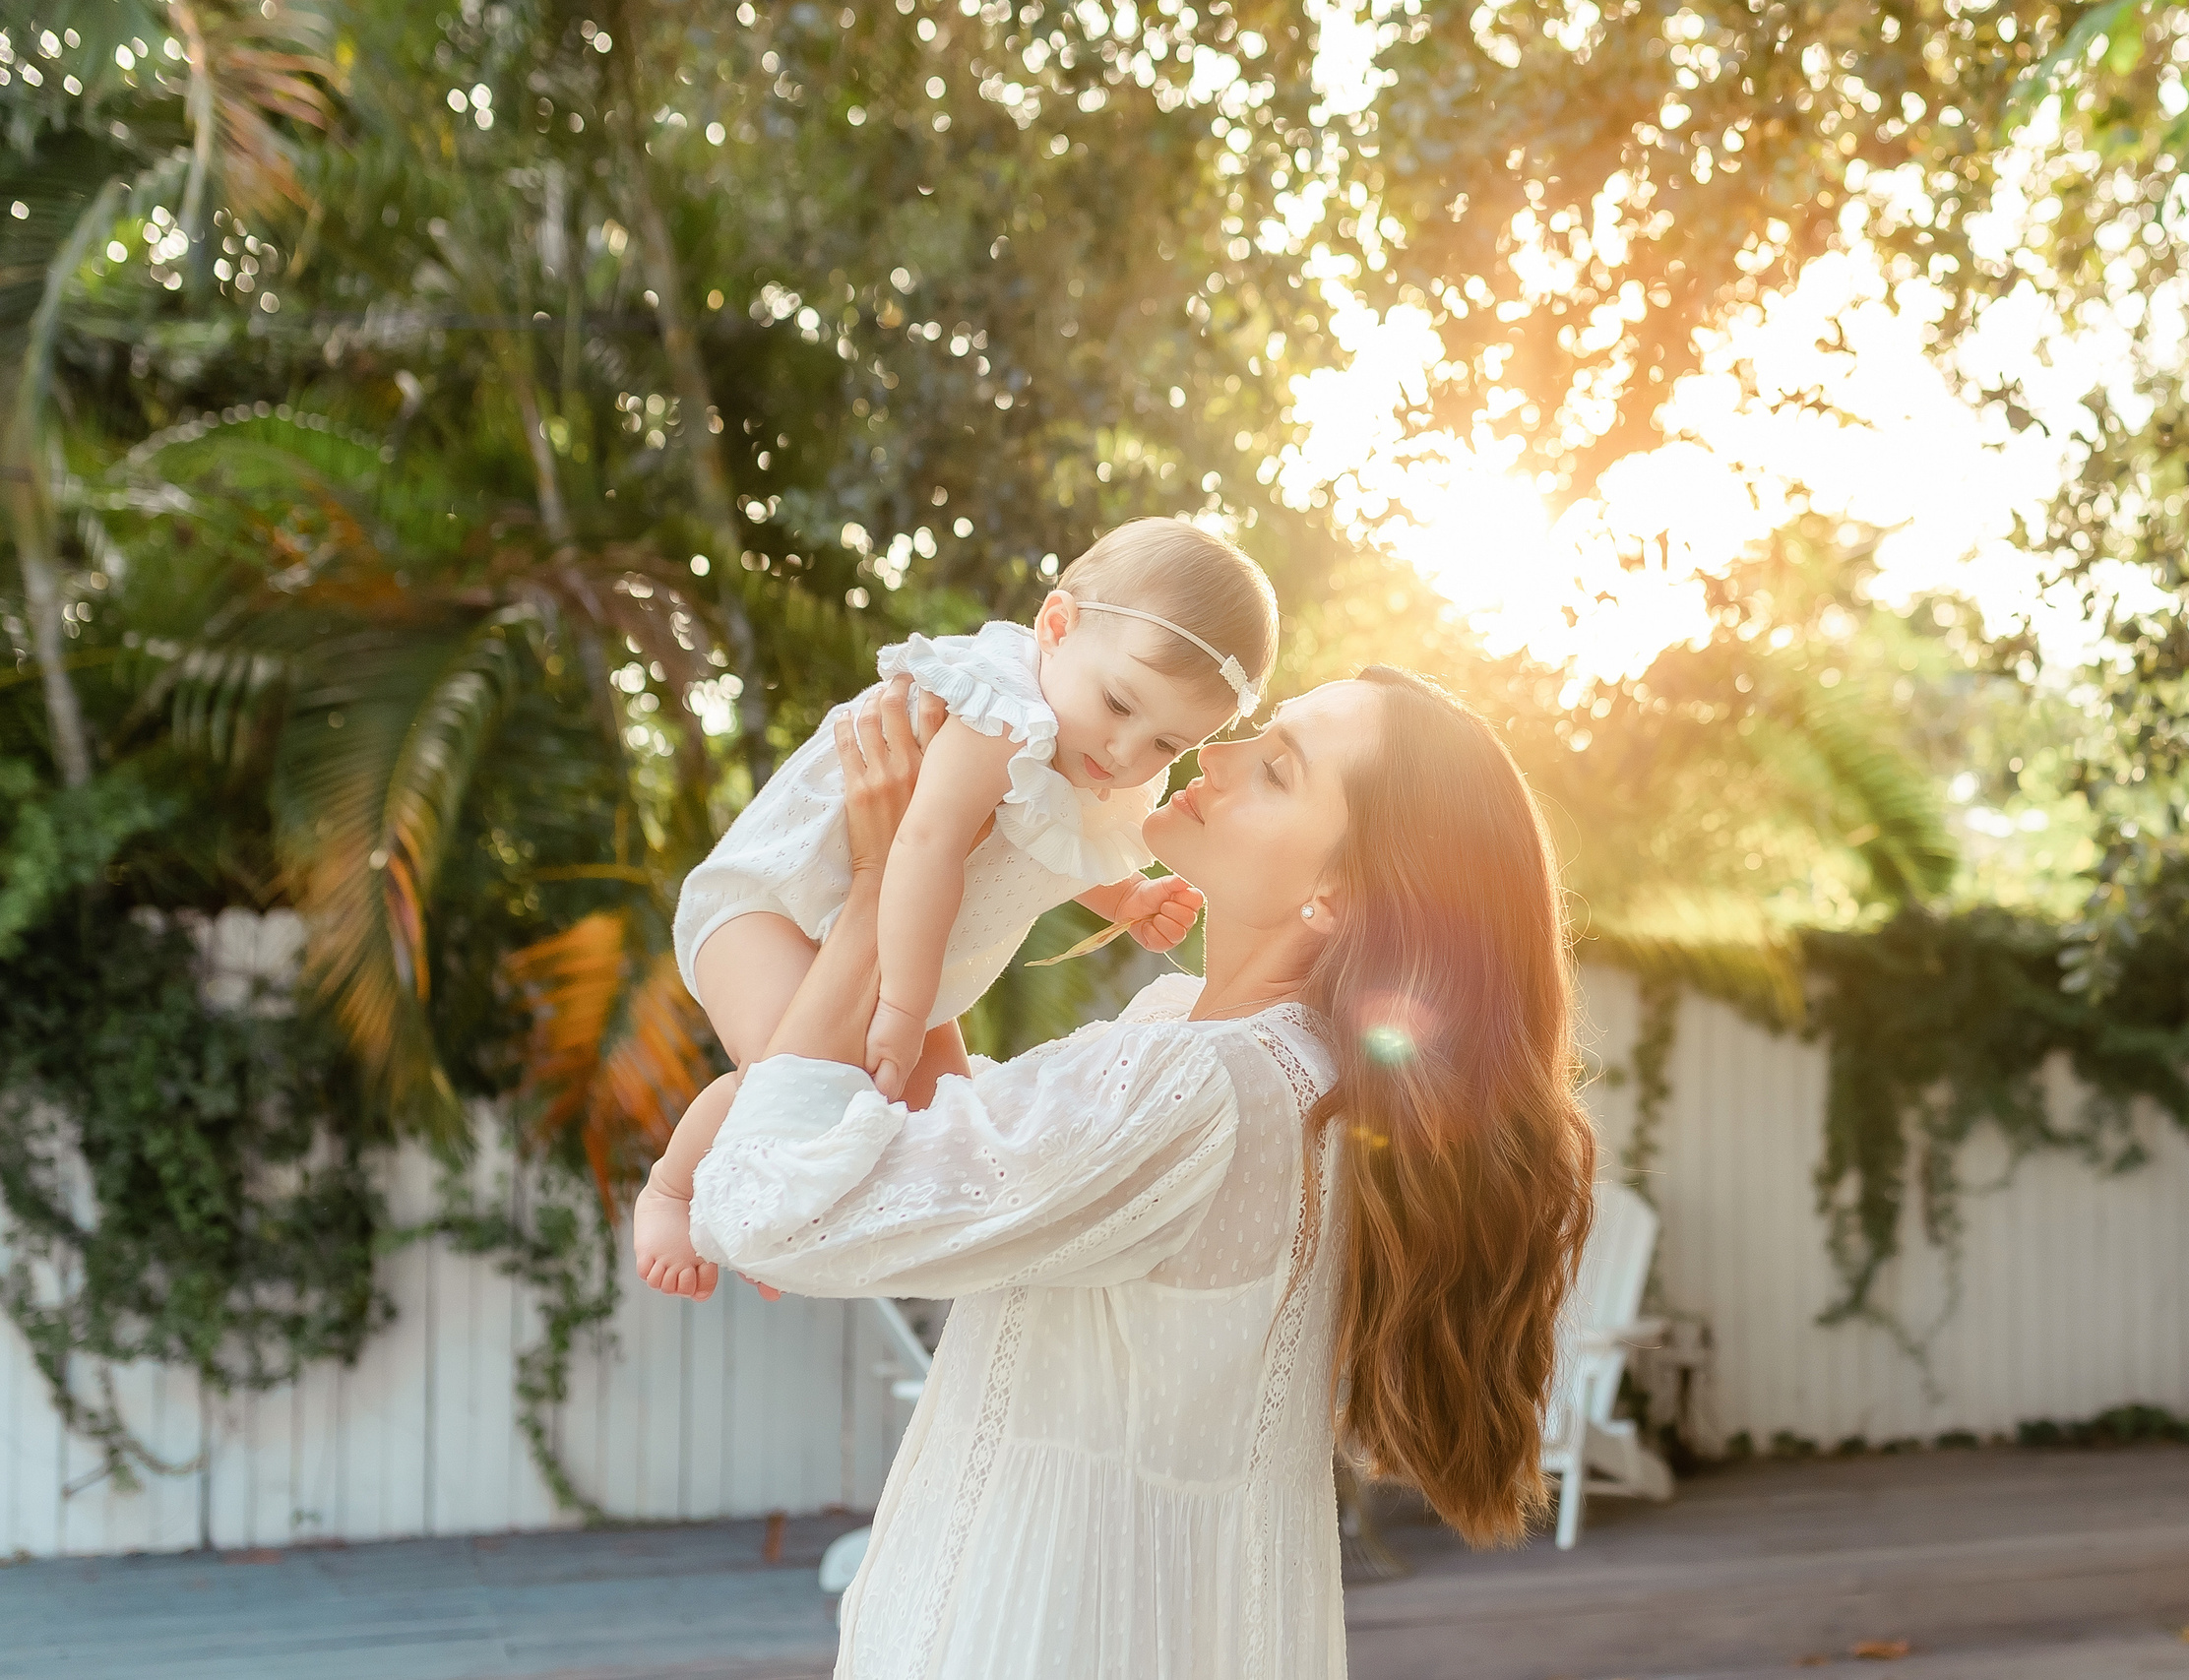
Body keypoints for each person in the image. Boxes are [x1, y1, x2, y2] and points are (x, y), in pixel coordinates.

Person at [686, 665, 1595, 1680]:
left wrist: (871, 891)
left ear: (1339, 894)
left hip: (1043, 1637)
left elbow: (769, 1210)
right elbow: (970, 1152)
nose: (1218, 754)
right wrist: (935, 867)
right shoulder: (1254, 1061)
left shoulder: (1200, 1088)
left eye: (1277, 770)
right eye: (1259, 731)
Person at [637, 518, 1280, 1298]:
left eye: (1166, 745)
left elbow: (1048, 840)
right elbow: (926, 842)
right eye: (1119, 703)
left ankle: (789, 1225)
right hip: (775, 903)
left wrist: (1127, 896)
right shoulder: (999, 707)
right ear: (1056, 626)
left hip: (901, 946)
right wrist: (906, 1010)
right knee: (797, 1072)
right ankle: (673, 1187)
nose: (1125, 752)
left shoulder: (1087, 743)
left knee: (938, 1128)